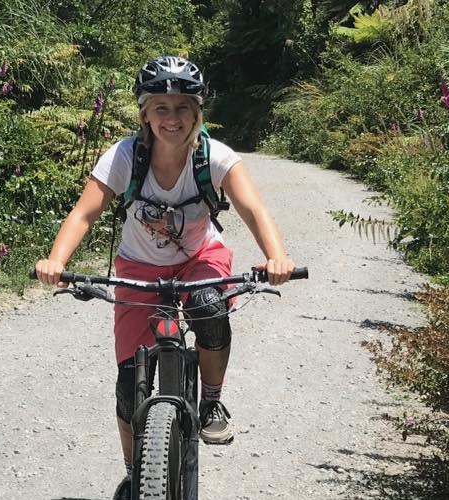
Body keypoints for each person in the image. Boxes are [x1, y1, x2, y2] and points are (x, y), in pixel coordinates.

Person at [34, 55, 295, 498]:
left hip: (199, 257)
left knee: (209, 308)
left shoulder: (215, 156)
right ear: (145, 113)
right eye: (161, 107)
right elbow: (85, 211)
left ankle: (211, 401)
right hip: (138, 267)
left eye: (183, 108)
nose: (172, 118)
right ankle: (137, 473)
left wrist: (277, 257)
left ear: (197, 112)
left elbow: (253, 209)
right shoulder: (123, 156)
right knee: (126, 384)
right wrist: (56, 260)